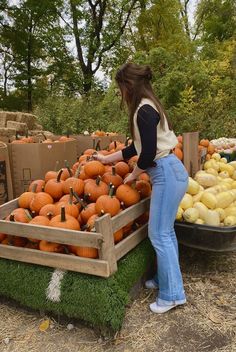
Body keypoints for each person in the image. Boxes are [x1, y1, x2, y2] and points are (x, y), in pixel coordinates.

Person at [93, 63, 189, 314]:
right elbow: (135, 149)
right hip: (170, 171)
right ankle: (164, 280)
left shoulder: (144, 110)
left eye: (120, 89)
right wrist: (106, 160)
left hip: (166, 173)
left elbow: (146, 155)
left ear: (128, 86)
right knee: (165, 233)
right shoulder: (148, 106)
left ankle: (171, 295)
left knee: (159, 234)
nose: (120, 94)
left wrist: (134, 174)